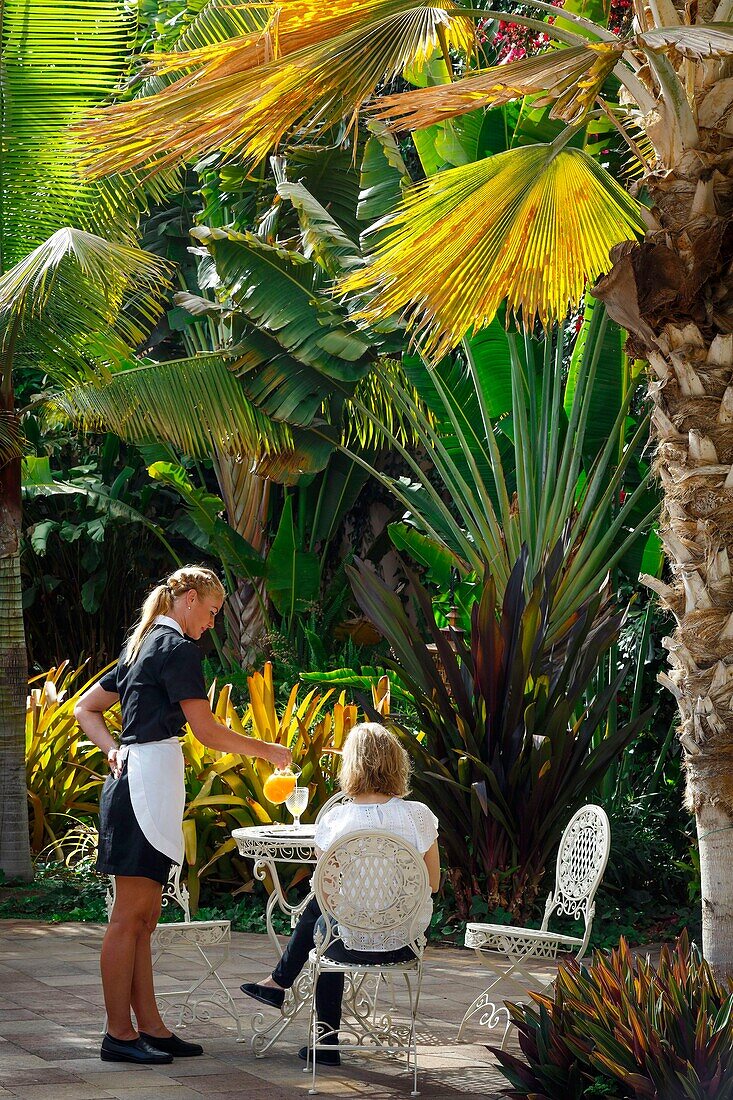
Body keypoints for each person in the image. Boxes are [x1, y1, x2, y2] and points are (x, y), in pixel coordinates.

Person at [75, 566, 291, 1066]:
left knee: (145, 918)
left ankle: (149, 1026)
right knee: (129, 917)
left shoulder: (144, 647)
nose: (212, 624)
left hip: (149, 783)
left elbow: (87, 709)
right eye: (212, 612)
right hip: (143, 788)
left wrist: (112, 748)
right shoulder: (173, 649)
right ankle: (118, 1034)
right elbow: (207, 731)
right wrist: (268, 751)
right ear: (188, 598)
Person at [240, 721, 440, 1067]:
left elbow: (328, 894)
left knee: (327, 920)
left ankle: (322, 1034)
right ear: (397, 763)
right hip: (403, 940)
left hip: (348, 945)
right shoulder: (418, 817)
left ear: (351, 766)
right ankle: (280, 983)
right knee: (330, 916)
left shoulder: (335, 821)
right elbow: (433, 883)